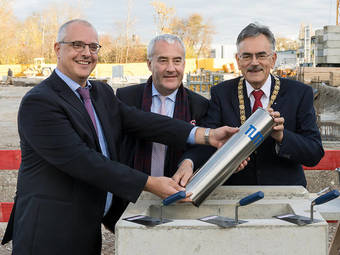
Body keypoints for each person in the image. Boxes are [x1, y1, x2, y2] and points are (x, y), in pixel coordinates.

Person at [0, 19, 241, 254]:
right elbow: (84, 161)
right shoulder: (40, 102)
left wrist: (207, 135)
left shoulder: (99, 93)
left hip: (86, 227)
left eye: (93, 47)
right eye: (77, 45)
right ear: (57, 49)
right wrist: (149, 183)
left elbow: (144, 122)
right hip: (49, 233)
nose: (86, 53)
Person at [179, 22, 324, 187]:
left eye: (261, 55)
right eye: (247, 56)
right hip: (235, 193)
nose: (254, 62)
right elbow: (208, 139)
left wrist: (282, 137)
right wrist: (189, 161)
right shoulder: (222, 93)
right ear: (238, 60)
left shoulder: (299, 93)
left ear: (273, 59)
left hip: (284, 193)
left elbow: (314, 153)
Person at [102, 34, 209, 231]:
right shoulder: (125, 97)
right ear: (149, 63)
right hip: (132, 199)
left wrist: (189, 162)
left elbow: (201, 149)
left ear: (184, 64)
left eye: (177, 61)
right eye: (163, 60)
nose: (171, 68)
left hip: (178, 200)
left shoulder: (200, 105)